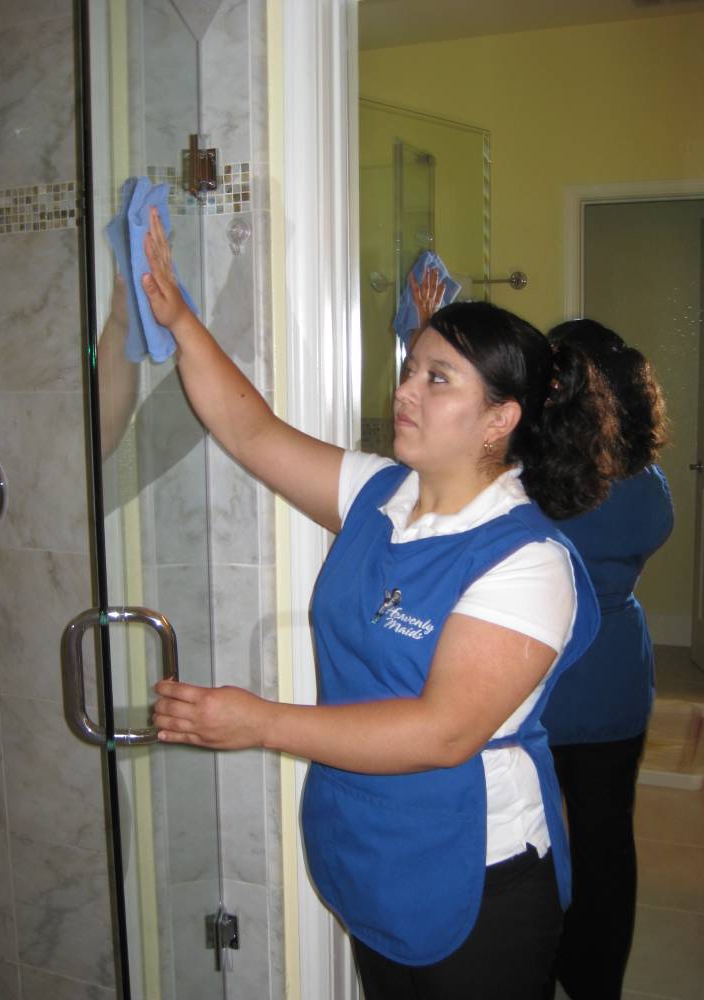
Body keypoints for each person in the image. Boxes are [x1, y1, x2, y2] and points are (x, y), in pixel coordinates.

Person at [141, 205, 621, 999]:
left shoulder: (526, 562)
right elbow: (252, 433)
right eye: (410, 369)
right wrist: (180, 320)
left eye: (438, 378)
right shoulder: (378, 492)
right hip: (370, 842)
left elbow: (441, 732)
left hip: (477, 874)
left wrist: (258, 722)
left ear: (501, 419)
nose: (406, 392)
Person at [541, 320, 673, 1000]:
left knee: (534, 841)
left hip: (541, 675)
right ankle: (597, 981)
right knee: (607, 840)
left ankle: (543, 960)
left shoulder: (540, 482)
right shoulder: (646, 481)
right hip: (618, 674)